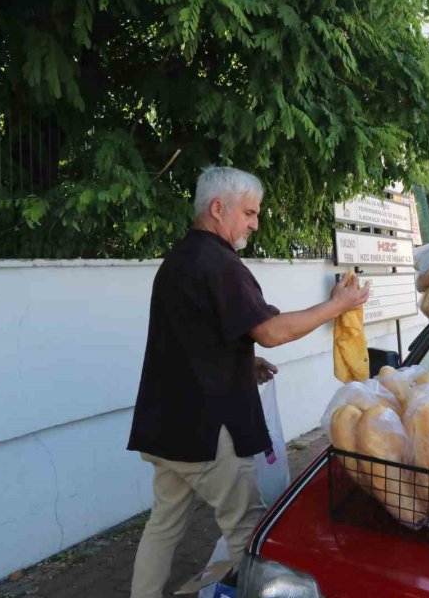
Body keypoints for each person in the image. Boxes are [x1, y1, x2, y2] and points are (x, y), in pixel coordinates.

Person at [127, 166, 369, 598]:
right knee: (250, 534)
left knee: (162, 525)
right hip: (207, 433)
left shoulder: (179, 259)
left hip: (165, 427)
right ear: (218, 209)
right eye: (250, 212)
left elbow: (196, 337)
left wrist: (244, 362)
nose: (256, 223)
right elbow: (272, 331)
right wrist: (337, 305)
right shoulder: (219, 263)